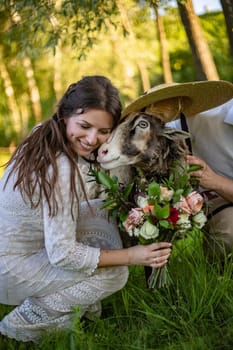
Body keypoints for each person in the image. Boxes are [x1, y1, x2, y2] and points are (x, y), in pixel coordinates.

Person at [0, 75, 172, 343]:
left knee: (102, 210)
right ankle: (25, 321)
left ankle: (81, 301)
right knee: (116, 274)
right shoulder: (61, 170)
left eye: (104, 131)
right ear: (66, 114)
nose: (93, 139)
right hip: (10, 269)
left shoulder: (42, 132)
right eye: (84, 126)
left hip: (18, 245)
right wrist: (131, 255)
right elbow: (63, 254)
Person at [168, 99, 233, 258]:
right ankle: (217, 273)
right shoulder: (204, 115)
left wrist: (215, 180)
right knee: (229, 232)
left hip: (219, 185)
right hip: (217, 201)